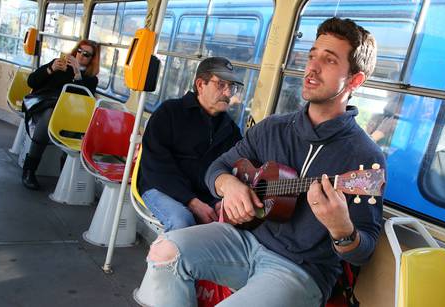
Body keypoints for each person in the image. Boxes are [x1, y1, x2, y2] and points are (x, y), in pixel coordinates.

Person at [136, 17, 386, 307]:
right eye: (311, 56)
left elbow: (363, 252)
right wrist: (228, 185)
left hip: (299, 268)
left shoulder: (364, 159)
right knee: (164, 252)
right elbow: (215, 169)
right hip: (242, 240)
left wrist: (342, 230)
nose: (312, 68)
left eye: (329, 61)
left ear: (355, 80)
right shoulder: (272, 128)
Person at [139, 57, 243, 231]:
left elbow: (231, 171)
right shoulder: (169, 112)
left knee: (233, 228)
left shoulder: (231, 130)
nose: (228, 93)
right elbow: (156, 166)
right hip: (161, 187)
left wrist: (220, 202)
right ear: (201, 84)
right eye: (221, 84)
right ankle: (164, 258)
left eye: (231, 86)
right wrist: (191, 201)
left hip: (205, 197)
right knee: (182, 221)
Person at [21, 39, 100, 190]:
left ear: (92, 59)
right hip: (43, 108)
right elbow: (32, 82)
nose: (81, 56)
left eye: (87, 54)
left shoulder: (90, 79)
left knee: (78, 127)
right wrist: (50, 69)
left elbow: (84, 99)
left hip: (69, 117)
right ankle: (29, 169)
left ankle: (65, 172)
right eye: (79, 51)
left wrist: (77, 75)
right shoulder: (58, 64)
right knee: (49, 115)